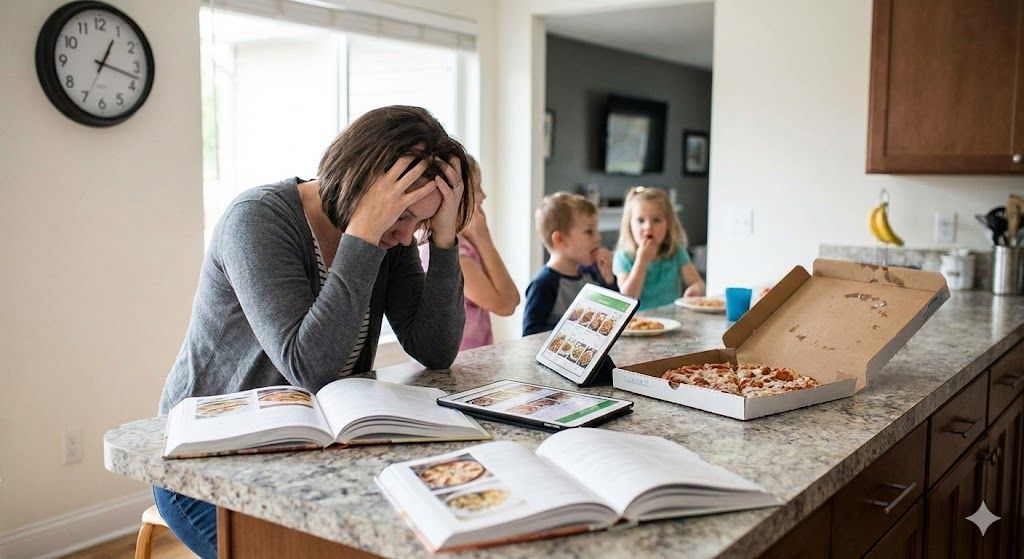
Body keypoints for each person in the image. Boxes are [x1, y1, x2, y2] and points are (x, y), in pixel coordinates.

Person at [153, 106, 474, 559]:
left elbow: (435, 348)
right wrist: (363, 233)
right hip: (210, 462)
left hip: (313, 448)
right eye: (402, 216)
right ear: (361, 182)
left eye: (417, 224)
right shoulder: (258, 219)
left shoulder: (391, 236)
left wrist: (443, 240)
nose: (405, 237)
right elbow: (309, 367)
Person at [420, 155, 520, 349]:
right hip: (453, 367)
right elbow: (505, 305)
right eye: (477, 188)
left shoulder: (467, 244)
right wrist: (484, 239)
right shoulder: (450, 254)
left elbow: (513, 300)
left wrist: (481, 240)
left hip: (473, 362)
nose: (483, 196)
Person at [522, 192, 616, 336]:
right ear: (559, 239)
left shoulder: (592, 273)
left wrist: (609, 280)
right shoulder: (544, 284)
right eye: (589, 232)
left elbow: (614, 316)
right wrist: (577, 326)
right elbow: (530, 334)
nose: (598, 237)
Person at [614, 186, 705, 310]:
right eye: (640, 220)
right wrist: (642, 261)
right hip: (638, 324)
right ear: (629, 225)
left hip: (672, 321)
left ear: (668, 224)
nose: (648, 227)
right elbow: (627, 299)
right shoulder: (623, 256)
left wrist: (696, 289)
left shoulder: (675, 252)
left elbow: (698, 283)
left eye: (656, 220)